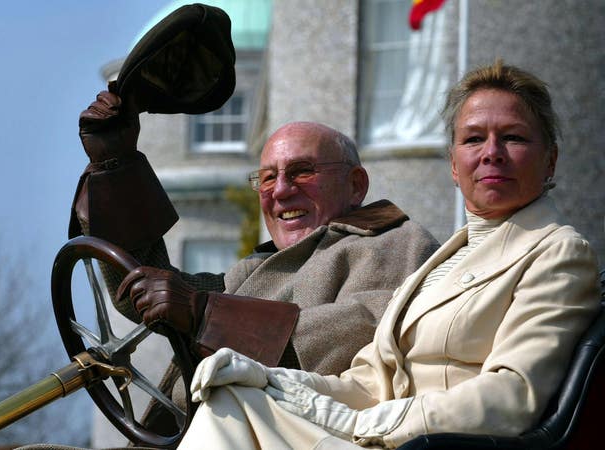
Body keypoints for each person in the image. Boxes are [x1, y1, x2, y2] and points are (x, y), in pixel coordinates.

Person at [176, 60, 602, 449]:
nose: (491, 152)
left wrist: (357, 420)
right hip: (372, 430)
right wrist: (273, 381)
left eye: (513, 137)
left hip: (421, 442)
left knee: (231, 409)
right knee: (232, 398)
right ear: (454, 167)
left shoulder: (554, 251)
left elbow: (512, 396)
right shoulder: (448, 258)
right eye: (473, 139)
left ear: (550, 161)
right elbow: (369, 378)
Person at [71, 88, 440, 430]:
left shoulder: (394, 243)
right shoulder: (255, 270)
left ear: (356, 185)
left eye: (301, 171)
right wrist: (115, 169)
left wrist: (208, 317)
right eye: (266, 178)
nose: (280, 191)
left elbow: (365, 328)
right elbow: (145, 290)